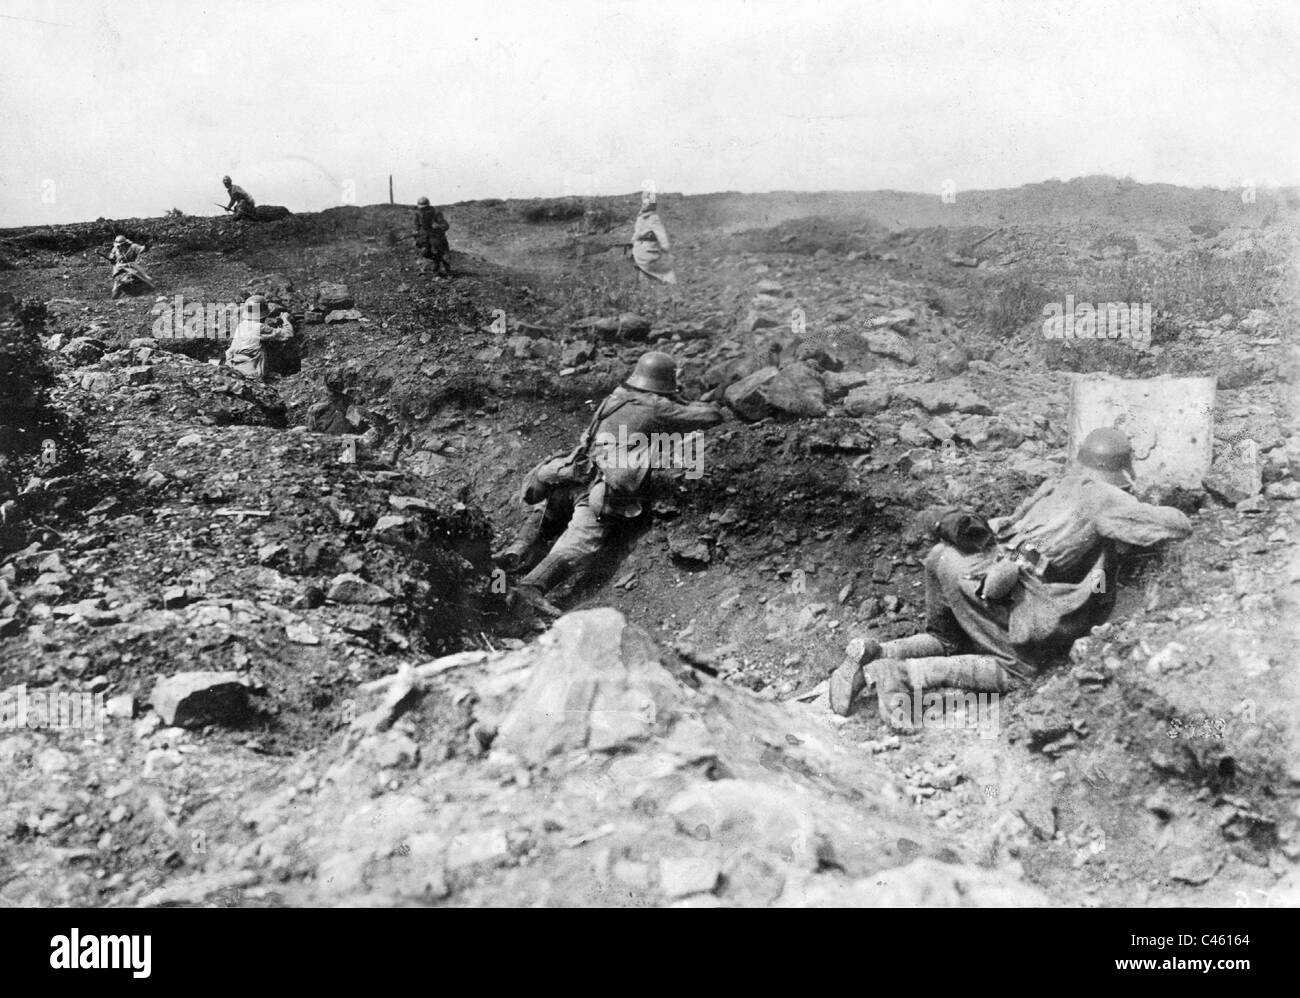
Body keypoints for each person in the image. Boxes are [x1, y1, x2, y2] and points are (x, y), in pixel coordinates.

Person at [829, 428, 1193, 728]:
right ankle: (902, 674)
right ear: (1121, 470)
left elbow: (1013, 523)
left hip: (952, 557)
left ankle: (877, 651)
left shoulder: (1059, 482)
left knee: (948, 637)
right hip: (989, 578)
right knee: (1019, 669)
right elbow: (1176, 527)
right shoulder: (1109, 498)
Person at [499, 351, 727, 615]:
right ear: (665, 382)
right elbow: (712, 416)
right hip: (601, 483)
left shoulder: (616, 396)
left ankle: (518, 550)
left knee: (551, 509)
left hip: (572, 471)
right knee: (584, 536)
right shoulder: (656, 406)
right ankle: (532, 587)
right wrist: (685, 399)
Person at [224, 295, 293, 380]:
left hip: (233, 366)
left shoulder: (241, 325)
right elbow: (288, 334)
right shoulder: (260, 327)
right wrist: (285, 319)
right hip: (251, 372)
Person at [630, 194, 676, 284]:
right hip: (641, 248)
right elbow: (637, 233)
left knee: (661, 266)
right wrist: (634, 240)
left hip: (648, 248)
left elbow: (661, 234)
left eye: (648, 203)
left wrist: (665, 247)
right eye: (644, 203)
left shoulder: (653, 218)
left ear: (652, 205)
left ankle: (663, 282)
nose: (645, 205)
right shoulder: (641, 217)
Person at [414, 197, 452, 275]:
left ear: (428, 206)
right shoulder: (418, 214)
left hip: (437, 238)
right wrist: (416, 232)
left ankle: (446, 271)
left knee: (444, 255)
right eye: (421, 208)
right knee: (425, 253)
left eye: (425, 208)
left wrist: (437, 226)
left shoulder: (436, 213)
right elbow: (417, 225)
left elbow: (446, 226)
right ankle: (437, 261)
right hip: (425, 238)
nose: (423, 210)